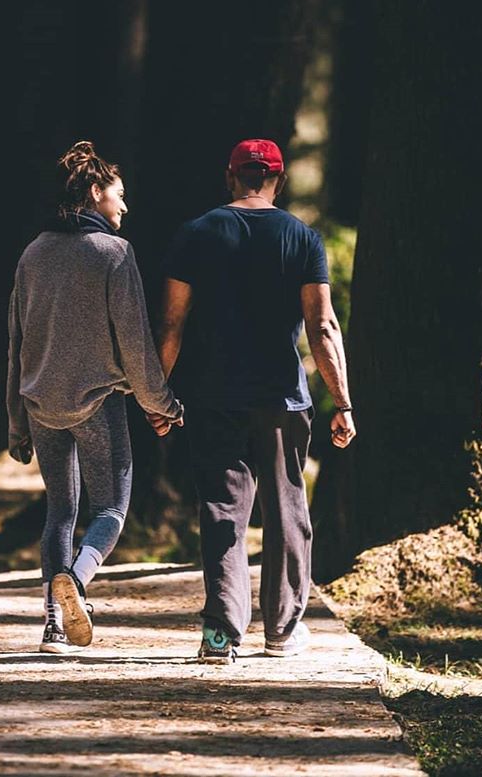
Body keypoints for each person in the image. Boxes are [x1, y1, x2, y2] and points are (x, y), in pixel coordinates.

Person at [149, 138, 356, 663]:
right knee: (286, 508)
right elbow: (323, 325)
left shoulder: (196, 233)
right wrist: (343, 402)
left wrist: (157, 395)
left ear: (230, 176)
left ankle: (220, 633)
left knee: (223, 509)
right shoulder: (301, 238)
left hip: (213, 394)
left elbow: (171, 322)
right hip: (282, 397)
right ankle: (282, 630)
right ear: (279, 181)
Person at [7, 141, 183, 654]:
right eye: (118, 195)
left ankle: (52, 628)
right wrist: (160, 401)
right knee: (111, 509)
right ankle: (78, 583)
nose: (124, 206)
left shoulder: (32, 253)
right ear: (94, 192)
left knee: (60, 512)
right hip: (98, 405)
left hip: (41, 404)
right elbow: (134, 340)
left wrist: (16, 422)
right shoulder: (113, 253)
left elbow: (16, 342)